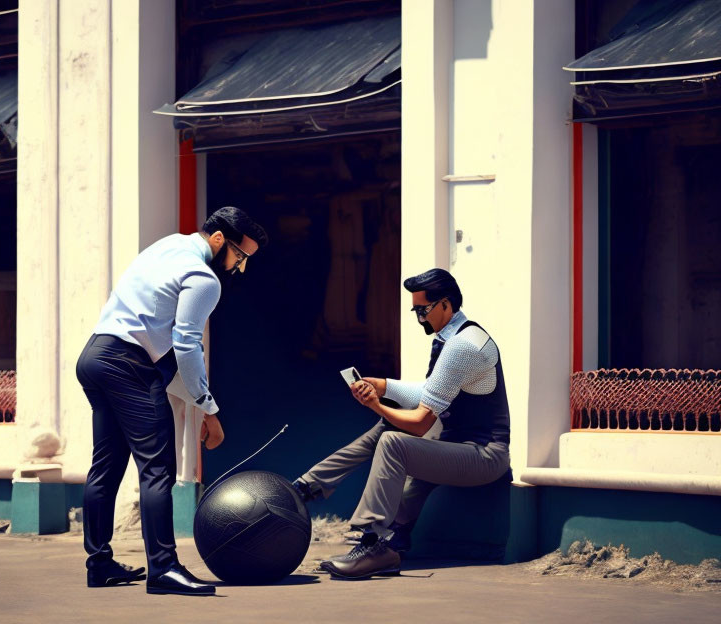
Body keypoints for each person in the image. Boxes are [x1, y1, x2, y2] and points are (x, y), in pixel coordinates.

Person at [76, 207, 268, 594]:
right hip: (128, 365)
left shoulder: (167, 247)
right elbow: (185, 345)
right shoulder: (204, 278)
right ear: (219, 241)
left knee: (106, 469)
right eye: (240, 257)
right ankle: (163, 568)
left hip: (95, 356)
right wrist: (209, 408)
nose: (238, 268)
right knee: (158, 469)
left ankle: (99, 565)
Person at [296, 268, 511, 579]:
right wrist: (383, 387)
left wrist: (376, 404)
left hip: (484, 457)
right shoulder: (454, 336)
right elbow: (430, 391)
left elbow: (421, 422)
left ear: (445, 305)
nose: (420, 318)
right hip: (456, 448)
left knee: (393, 441)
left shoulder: (462, 347)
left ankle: (372, 543)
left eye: (423, 310)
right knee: (386, 429)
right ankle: (307, 488)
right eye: (415, 311)